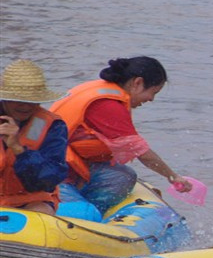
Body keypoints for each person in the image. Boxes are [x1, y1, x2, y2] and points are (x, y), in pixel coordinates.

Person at [50, 56, 192, 215]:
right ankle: (90, 216)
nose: (151, 99)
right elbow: (142, 153)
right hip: (54, 172)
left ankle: (89, 207)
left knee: (124, 176)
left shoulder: (95, 89)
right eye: (153, 92)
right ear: (137, 83)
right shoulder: (108, 105)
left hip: (63, 163)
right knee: (84, 214)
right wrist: (173, 176)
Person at [0, 59, 68, 214]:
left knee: (41, 211)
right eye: (19, 100)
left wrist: (19, 150)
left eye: (32, 101)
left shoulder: (52, 126)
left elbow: (48, 180)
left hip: (30, 201)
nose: (25, 106)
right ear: (4, 98)